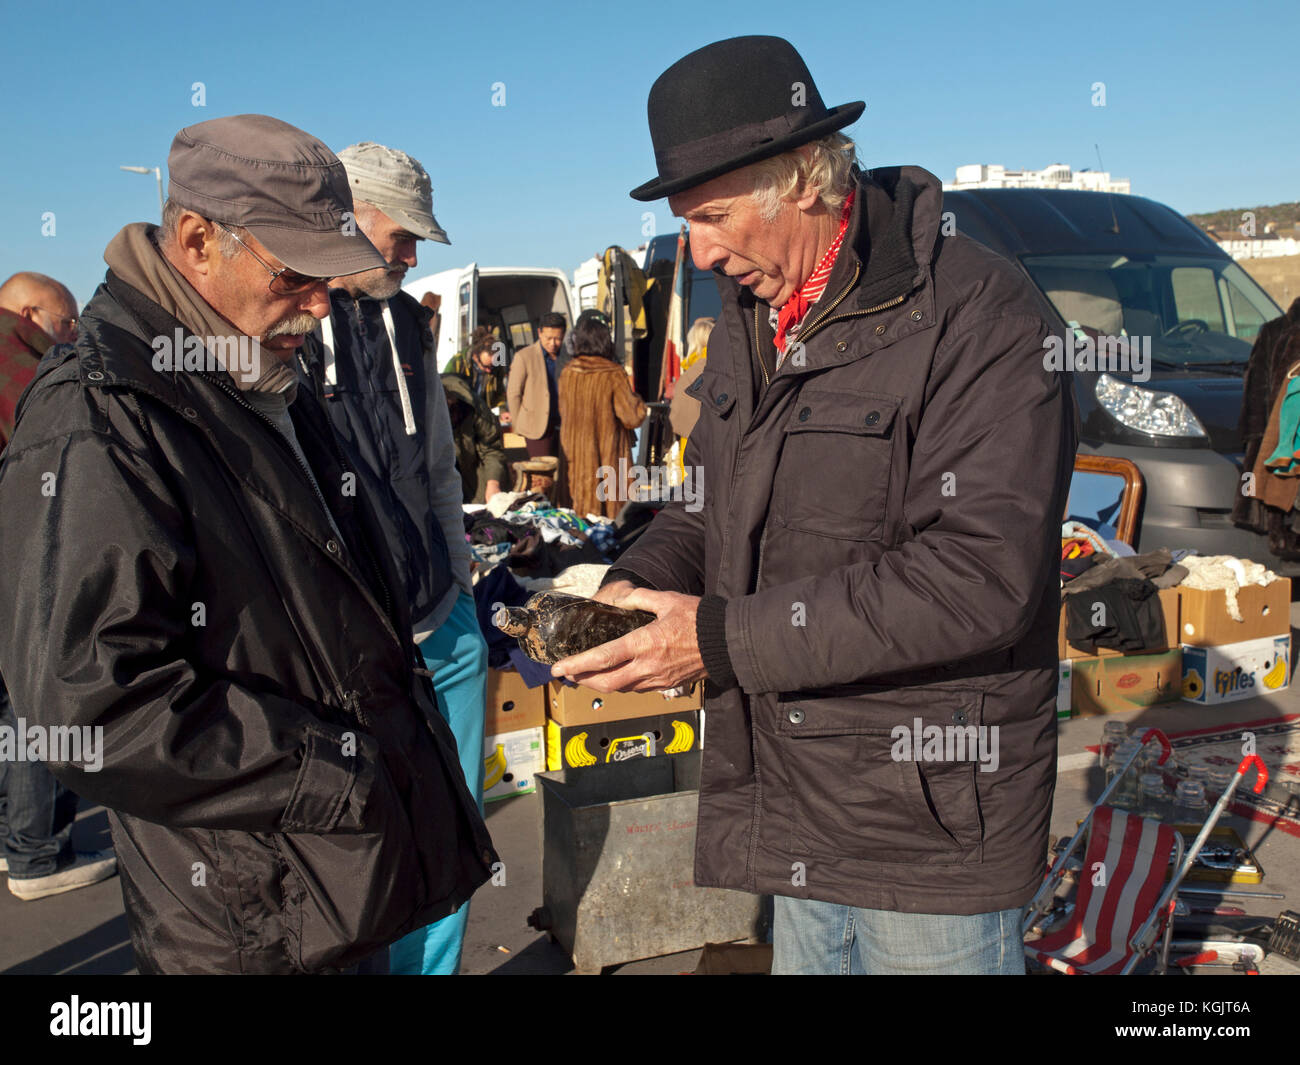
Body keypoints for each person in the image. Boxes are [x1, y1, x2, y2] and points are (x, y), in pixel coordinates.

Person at [550, 36, 1077, 975]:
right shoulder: (752, 321)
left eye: (711, 217)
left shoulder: (982, 315)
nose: (697, 249)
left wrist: (714, 640)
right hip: (795, 802)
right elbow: (706, 503)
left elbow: (977, 577)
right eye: (685, 221)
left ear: (803, 180)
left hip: (929, 824)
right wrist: (631, 589)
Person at [0, 114, 496, 973]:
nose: (320, 302)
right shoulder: (98, 414)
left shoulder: (260, 363)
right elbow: (89, 703)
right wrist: (337, 773)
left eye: (332, 275)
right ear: (196, 240)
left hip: (337, 880)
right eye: (297, 274)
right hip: (247, 919)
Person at [299, 140, 490, 976]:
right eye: (401, 234)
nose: (411, 255)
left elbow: (441, 468)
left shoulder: (412, 323)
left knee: (455, 833)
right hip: (353, 643)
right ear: (346, 216)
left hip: (443, 620)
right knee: (368, 847)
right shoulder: (288, 329)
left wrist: (461, 580)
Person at [0, 272, 118, 901]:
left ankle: (12, 837)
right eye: (66, 321)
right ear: (28, 313)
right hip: (16, 559)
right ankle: (36, 856)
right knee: (36, 704)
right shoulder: (21, 360)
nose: (72, 334)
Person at [559, 316, 648, 519]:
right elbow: (632, 417)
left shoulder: (567, 373)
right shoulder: (612, 373)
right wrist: (639, 403)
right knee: (612, 521)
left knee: (576, 522)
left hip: (574, 457)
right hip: (608, 458)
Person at [442, 372, 509, 504]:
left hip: (473, 474)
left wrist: (493, 483)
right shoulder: (459, 361)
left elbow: (492, 448)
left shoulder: (475, 408)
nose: (489, 370)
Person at [507, 311, 566, 457]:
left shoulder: (569, 356)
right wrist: (519, 425)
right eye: (548, 338)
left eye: (558, 339)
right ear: (539, 333)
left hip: (566, 425)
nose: (553, 343)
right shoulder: (524, 356)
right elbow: (514, 393)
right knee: (542, 476)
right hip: (536, 428)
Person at [446, 325, 509, 418]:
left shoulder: (496, 368)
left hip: (484, 418)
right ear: (475, 356)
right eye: (486, 366)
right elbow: (444, 390)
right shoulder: (457, 363)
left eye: (492, 366)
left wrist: (502, 411)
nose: (489, 370)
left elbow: (499, 394)